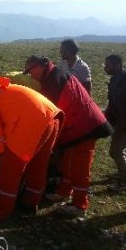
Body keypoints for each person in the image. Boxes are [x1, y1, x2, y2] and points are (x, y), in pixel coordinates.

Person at [24, 55, 113, 216]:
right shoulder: (52, 77)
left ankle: (80, 205)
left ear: (40, 66)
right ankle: (64, 192)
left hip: (84, 125)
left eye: (31, 71)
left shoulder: (55, 80)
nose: (31, 75)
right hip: (75, 126)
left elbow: (53, 112)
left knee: (80, 165)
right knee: (67, 161)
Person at [0, 76, 64, 220]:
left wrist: (0, 154)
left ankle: (1, 212)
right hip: (51, 117)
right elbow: (7, 122)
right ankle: (30, 203)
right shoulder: (3, 89)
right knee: (37, 166)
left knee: (8, 172)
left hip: (31, 123)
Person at [103, 54, 126, 191]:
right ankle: (122, 173)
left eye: (108, 65)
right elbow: (112, 102)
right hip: (119, 121)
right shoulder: (114, 80)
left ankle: (124, 182)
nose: (105, 68)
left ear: (117, 65)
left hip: (124, 123)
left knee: (115, 151)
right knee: (118, 150)